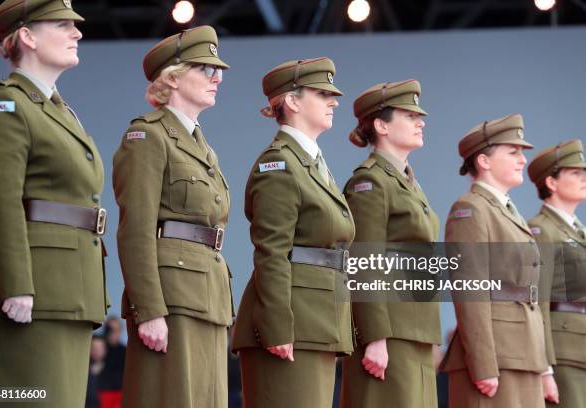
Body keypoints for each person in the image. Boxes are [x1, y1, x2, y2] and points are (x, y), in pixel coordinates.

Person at [0, 1, 109, 406]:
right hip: (31, 292)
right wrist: (16, 285)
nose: (77, 33)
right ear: (28, 36)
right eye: (64, 24)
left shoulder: (58, 110)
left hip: (67, 291)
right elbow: (1, 202)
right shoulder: (7, 105)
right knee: (22, 400)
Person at [112, 25, 233, 408]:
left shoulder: (204, 147)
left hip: (206, 293)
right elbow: (136, 228)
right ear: (173, 78)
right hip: (171, 296)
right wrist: (149, 310)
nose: (217, 77)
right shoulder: (148, 136)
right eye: (205, 69)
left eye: (217, 70)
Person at [230, 57, 355, 408]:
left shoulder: (311, 163)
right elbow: (271, 251)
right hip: (293, 324)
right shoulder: (280, 164)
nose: (334, 101)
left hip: (316, 320)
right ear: (292, 101)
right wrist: (277, 327)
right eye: (322, 93)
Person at [340, 80, 441, 408]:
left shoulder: (408, 181)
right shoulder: (370, 181)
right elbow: (363, 262)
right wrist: (375, 336)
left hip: (415, 328)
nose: (420, 121)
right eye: (410, 115)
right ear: (381, 125)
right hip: (390, 331)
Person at [439, 114, 548, 407]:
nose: (523, 160)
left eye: (522, 153)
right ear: (484, 161)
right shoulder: (470, 209)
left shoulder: (508, 212)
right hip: (495, 357)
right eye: (513, 152)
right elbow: (469, 290)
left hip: (523, 352)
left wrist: (542, 361)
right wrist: (484, 364)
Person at [527, 140, 586, 407]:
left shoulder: (578, 230)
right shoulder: (542, 230)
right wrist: (545, 368)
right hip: (564, 353)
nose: (583, 178)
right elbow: (537, 304)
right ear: (551, 182)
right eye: (575, 173)